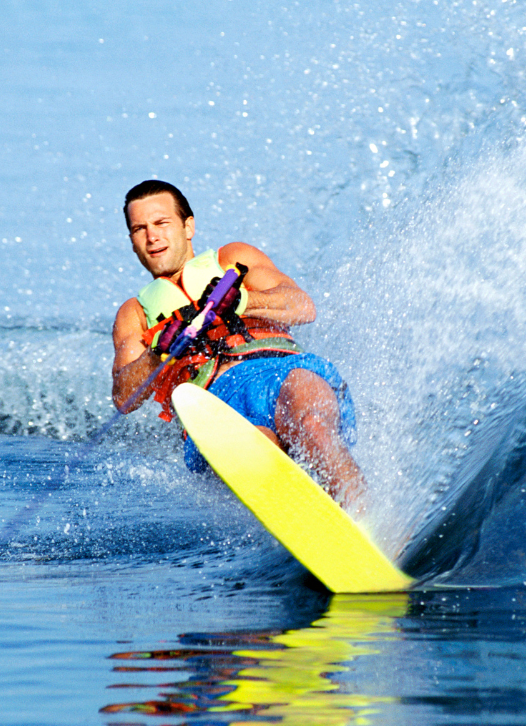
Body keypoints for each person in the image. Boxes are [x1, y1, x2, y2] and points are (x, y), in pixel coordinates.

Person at [111, 179, 367, 512]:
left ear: (188, 227)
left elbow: (302, 306)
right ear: (132, 242)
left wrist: (242, 300)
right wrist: (156, 353)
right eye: (139, 229)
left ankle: (373, 524)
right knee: (259, 451)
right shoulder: (134, 314)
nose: (152, 236)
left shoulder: (233, 260)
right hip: (214, 406)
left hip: (282, 371)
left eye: (161, 223)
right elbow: (123, 397)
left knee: (313, 425)